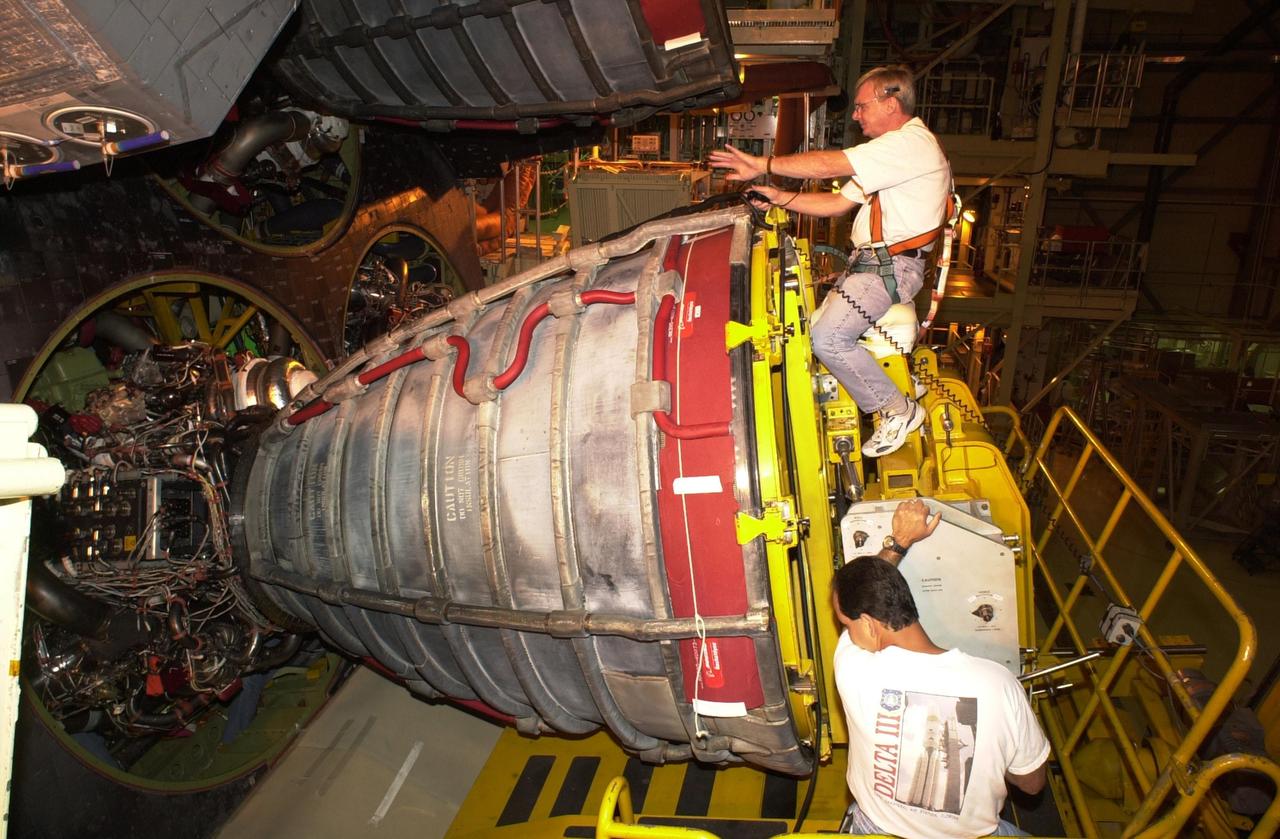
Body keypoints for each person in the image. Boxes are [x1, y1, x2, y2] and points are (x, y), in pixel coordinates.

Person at [708, 66, 951, 458]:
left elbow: (827, 166)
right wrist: (776, 196)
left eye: (861, 107)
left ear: (891, 103)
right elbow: (837, 204)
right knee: (810, 334)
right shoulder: (894, 157)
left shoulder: (909, 146)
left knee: (827, 339)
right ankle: (895, 384)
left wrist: (764, 164)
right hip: (872, 267)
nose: (856, 116)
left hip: (889, 269)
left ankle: (896, 409)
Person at [832, 499, 1050, 837]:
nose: (845, 631)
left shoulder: (852, 667)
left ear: (869, 624)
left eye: (846, 622)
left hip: (874, 828)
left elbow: (864, 587)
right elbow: (1033, 784)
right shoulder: (998, 685)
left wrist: (897, 543)